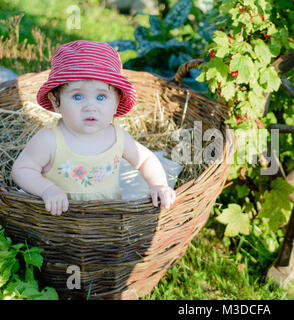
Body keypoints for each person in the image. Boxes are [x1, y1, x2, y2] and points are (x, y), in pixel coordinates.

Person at [11, 40, 176, 216]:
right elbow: (22, 169)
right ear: (56, 102)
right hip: (59, 221)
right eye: (77, 96)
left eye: (101, 97)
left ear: (116, 103)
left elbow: (146, 160)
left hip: (108, 220)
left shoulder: (117, 137)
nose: (90, 106)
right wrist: (47, 190)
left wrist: (158, 185)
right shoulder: (50, 139)